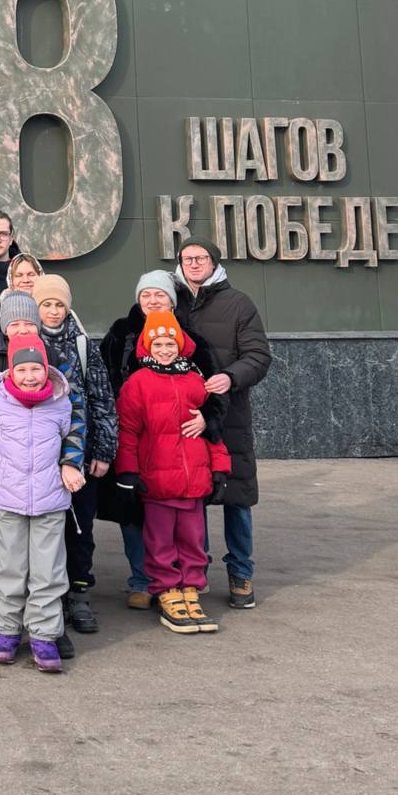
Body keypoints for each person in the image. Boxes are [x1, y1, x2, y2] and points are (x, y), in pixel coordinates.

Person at [100, 270, 228, 609]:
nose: (153, 300)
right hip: (138, 444)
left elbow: (213, 390)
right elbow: (101, 382)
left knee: (187, 525)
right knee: (137, 519)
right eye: (146, 295)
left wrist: (208, 419)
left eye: (160, 295)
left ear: (172, 300)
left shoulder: (192, 342)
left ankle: (189, 581)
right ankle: (145, 581)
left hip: (186, 451)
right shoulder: (119, 334)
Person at [0, 290, 84, 654]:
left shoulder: (57, 359)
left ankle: (47, 631)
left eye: (27, 324)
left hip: (47, 484)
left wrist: (71, 461)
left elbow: (75, 414)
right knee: (3, 561)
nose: (20, 330)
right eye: (14, 324)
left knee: (49, 564)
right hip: (7, 484)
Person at [173, 237, 272, 609]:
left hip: (230, 416)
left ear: (214, 262)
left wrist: (231, 377)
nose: (194, 264)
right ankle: (195, 571)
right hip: (186, 416)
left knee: (236, 497)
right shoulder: (171, 301)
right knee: (191, 498)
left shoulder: (239, 303)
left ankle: (240, 572)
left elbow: (258, 355)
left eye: (201, 258)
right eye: (187, 258)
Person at [33, 274, 116, 638]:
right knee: (45, 530)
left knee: (80, 527)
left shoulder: (83, 345)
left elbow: (102, 399)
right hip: (39, 456)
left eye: (59, 305)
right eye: (46, 304)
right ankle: (48, 596)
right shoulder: (26, 344)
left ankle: (79, 593)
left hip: (80, 453)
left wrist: (103, 450)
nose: (53, 311)